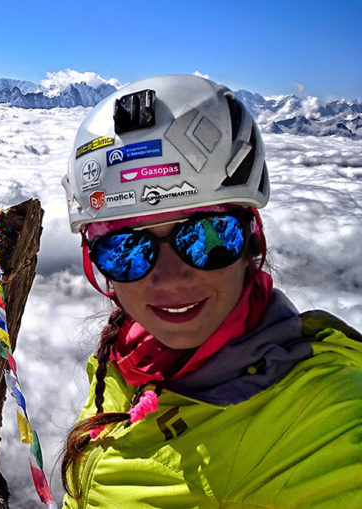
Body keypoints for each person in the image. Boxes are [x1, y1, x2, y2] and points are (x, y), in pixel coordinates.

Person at [60, 75, 362, 507]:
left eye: (207, 236)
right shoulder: (126, 360)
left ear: (251, 242)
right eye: (126, 249)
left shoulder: (328, 420)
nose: (169, 279)